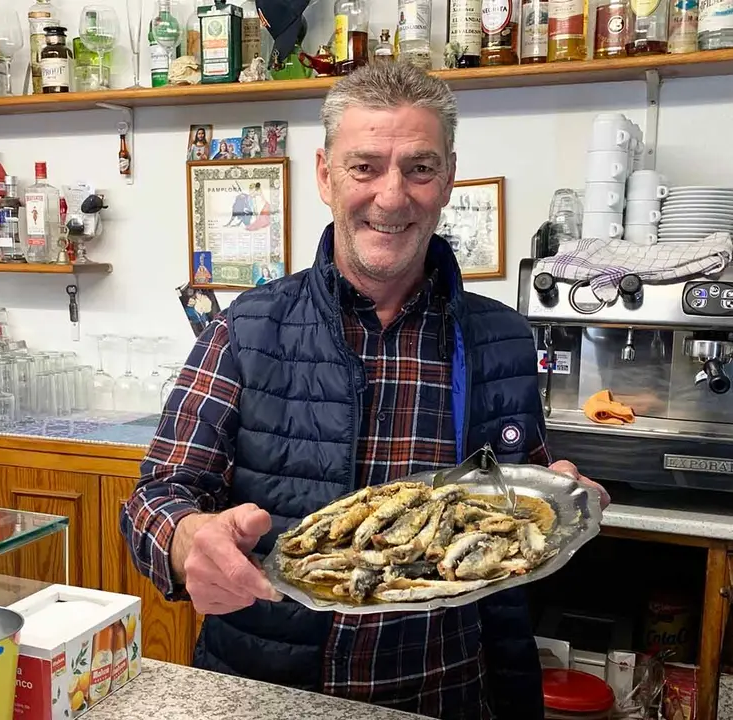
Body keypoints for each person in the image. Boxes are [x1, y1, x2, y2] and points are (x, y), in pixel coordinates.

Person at [121, 61, 608, 720]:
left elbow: (514, 492)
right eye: (365, 167)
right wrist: (185, 540)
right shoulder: (247, 329)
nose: (392, 196)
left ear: (448, 178)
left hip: (448, 696)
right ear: (325, 175)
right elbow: (156, 496)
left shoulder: (504, 339)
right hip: (270, 699)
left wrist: (562, 490)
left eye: (419, 168)